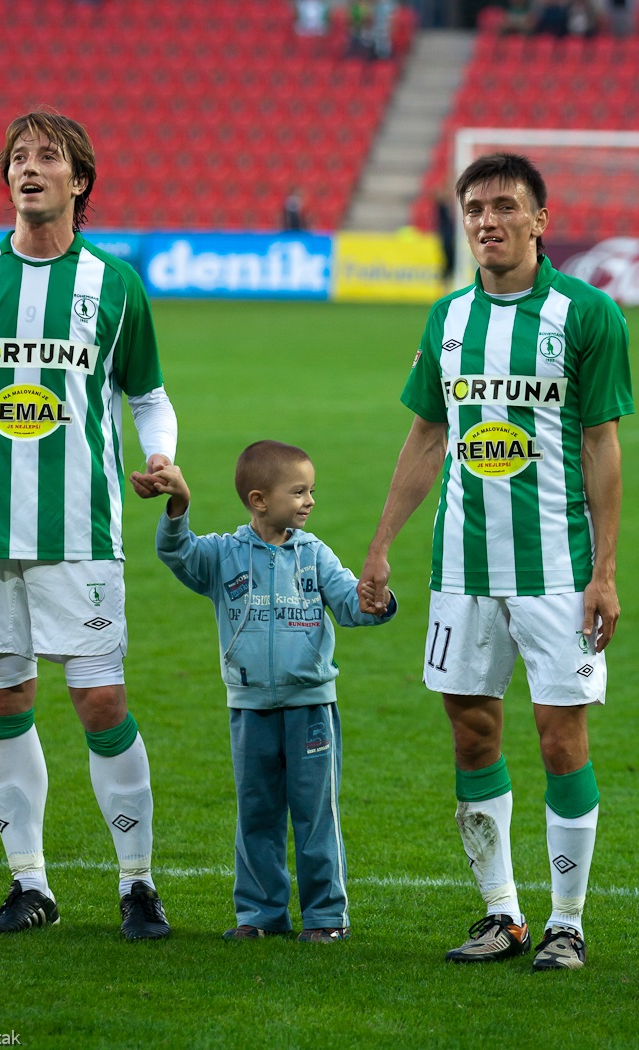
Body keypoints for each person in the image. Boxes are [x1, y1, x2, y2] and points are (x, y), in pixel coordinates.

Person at [358, 152, 633, 970]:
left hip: (558, 571)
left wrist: (607, 570)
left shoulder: (588, 315)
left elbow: (601, 444)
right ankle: (503, 915)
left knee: (560, 741)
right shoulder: (446, 318)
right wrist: (379, 545)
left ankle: (568, 922)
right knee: (472, 737)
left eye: (505, 206)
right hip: (462, 571)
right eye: (475, 207)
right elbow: (427, 434)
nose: (487, 220)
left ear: (539, 221)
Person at [0, 111, 178, 939]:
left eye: (47, 158)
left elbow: (147, 390)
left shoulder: (112, 285)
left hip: (80, 530)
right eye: (17, 157)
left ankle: (138, 883)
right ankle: (29, 883)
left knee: (101, 700)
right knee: (4, 699)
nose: (29, 168)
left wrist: (164, 455)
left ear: (81, 181)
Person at [148, 441, 396, 941]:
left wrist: (376, 600)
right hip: (250, 708)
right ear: (259, 500)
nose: (309, 502)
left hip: (311, 709)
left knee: (314, 815)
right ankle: (261, 915)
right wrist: (178, 506)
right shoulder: (223, 554)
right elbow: (175, 551)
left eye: (311, 491)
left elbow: (350, 604)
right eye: (298, 492)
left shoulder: (315, 554)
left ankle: (327, 918)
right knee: (256, 814)